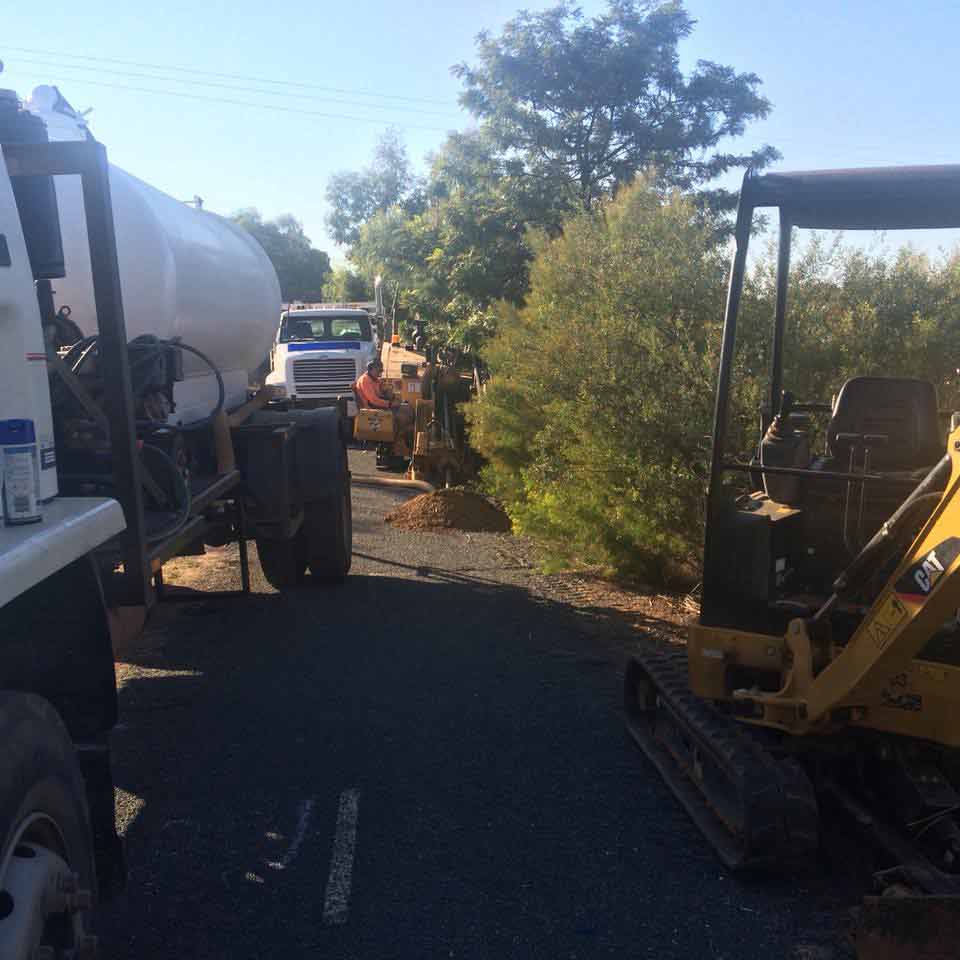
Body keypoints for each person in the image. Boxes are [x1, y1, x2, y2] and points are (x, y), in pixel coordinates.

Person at [354, 359, 414, 429]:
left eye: (381, 371)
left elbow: (381, 393)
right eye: (378, 370)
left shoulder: (375, 380)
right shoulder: (365, 380)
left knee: (407, 407)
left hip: (378, 406)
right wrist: (390, 404)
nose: (380, 373)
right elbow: (373, 400)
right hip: (371, 409)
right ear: (371, 369)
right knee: (403, 414)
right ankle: (399, 435)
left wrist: (389, 394)